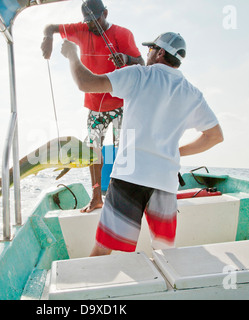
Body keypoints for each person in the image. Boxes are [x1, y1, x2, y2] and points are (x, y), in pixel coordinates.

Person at [60, 32, 224, 256]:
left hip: (130, 176)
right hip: (165, 182)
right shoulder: (192, 93)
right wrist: (174, 153)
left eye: (150, 50)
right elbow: (214, 136)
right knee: (166, 253)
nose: (146, 54)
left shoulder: (139, 75)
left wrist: (72, 56)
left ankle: (88, 289)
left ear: (160, 53)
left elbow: (86, 83)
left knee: (103, 249)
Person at [41, 0, 145, 213]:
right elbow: (50, 27)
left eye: (95, 20)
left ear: (105, 13)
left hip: (120, 104)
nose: (91, 25)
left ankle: (124, 199)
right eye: (87, 21)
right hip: (95, 108)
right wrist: (47, 39)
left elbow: (141, 62)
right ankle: (97, 197)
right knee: (93, 152)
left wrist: (125, 58)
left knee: (124, 150)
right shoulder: (81, 29)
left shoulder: (123, 34)